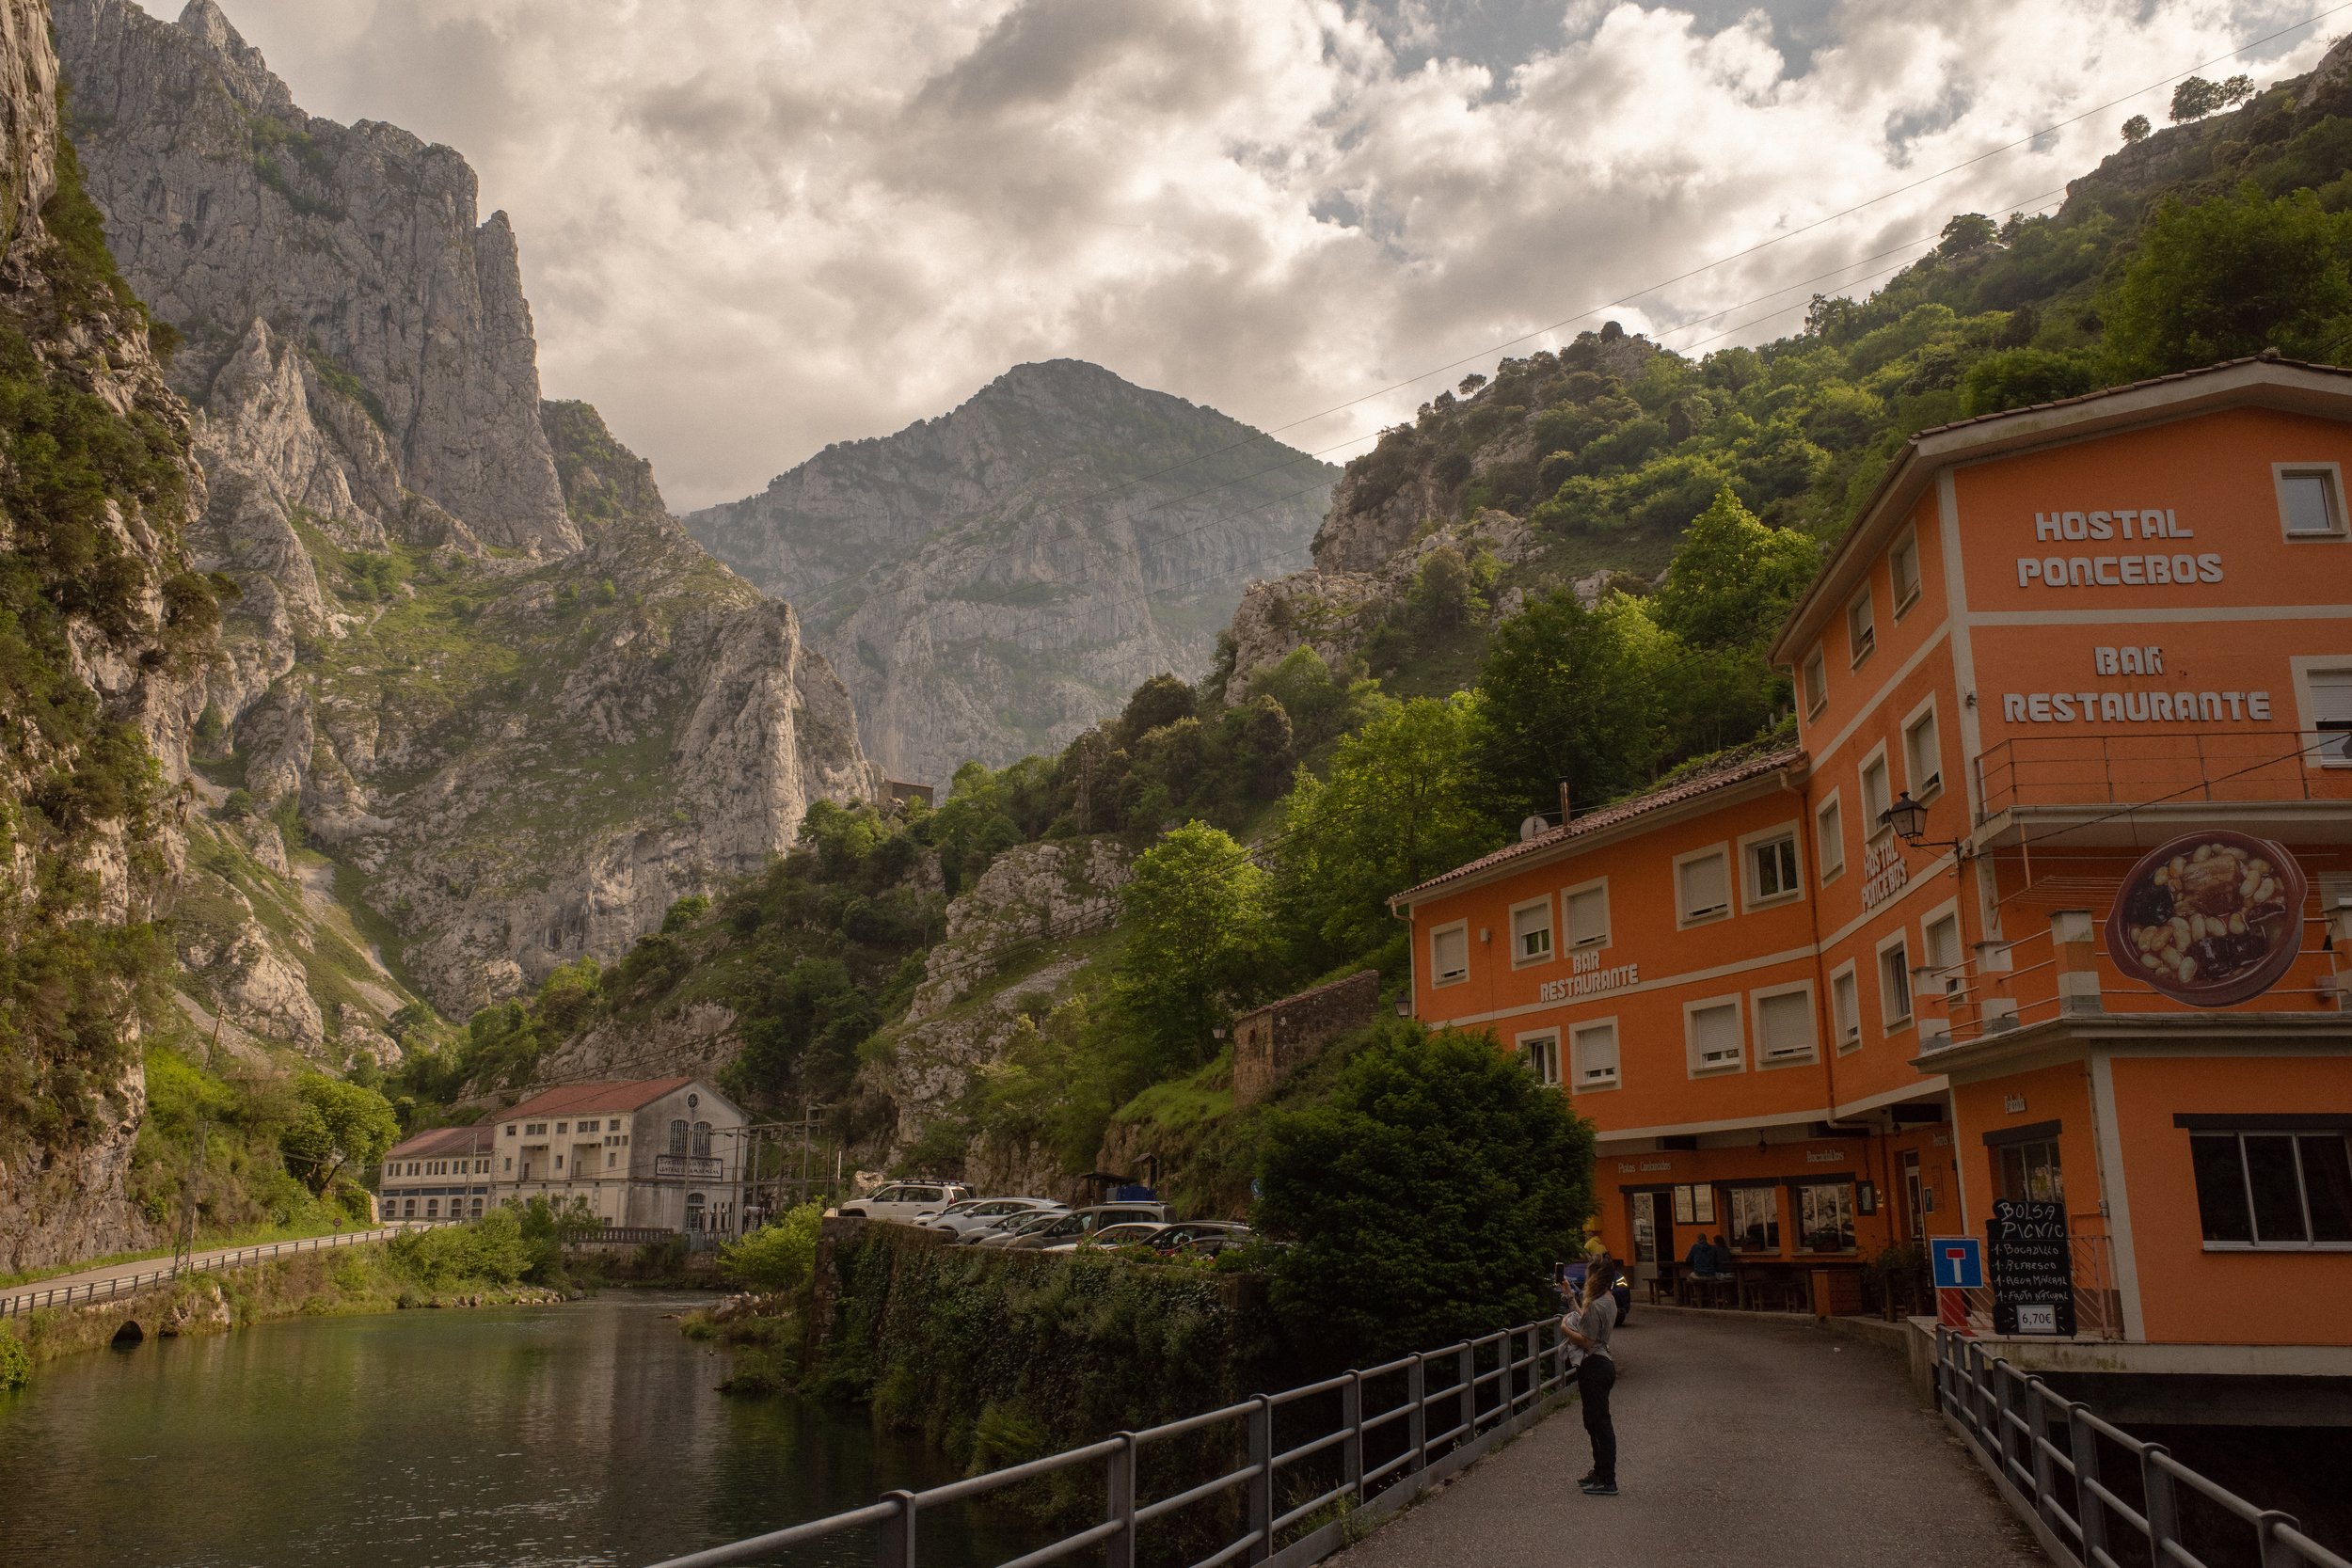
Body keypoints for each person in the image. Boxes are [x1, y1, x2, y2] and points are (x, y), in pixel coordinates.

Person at [1564, 1263, 1618, 1496]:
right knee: (1594, 1421)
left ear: (1595, 1277)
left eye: (1588, 1276)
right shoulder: (1608, 1299)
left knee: (1600, 1423)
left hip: (1594, 1365)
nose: (1586, 1280)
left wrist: (1565, 1328)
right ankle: (1599, 1473)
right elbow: (1588, 1324)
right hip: (1602, 1363)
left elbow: (1586, 1340)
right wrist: (1570, 1297)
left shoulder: (1597, 1305)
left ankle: (1607, 1479)